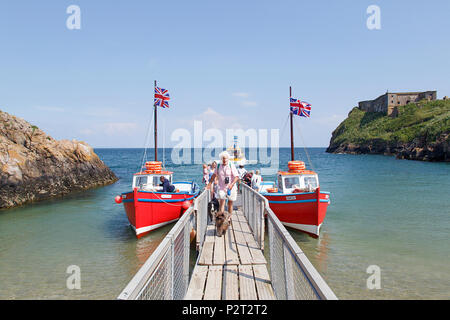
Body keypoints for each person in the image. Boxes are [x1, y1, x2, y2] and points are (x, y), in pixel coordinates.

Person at [207, 151, 239, 217]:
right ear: (221, 159)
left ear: (228, 158)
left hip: (231, 187)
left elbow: (236, 176)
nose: (224, 160)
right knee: (222, 202)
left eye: (225, 158)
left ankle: (229, 217)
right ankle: (221, 218)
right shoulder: (218, 165)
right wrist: (209, 184)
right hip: (222, 187)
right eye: (223, 158)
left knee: (230, 203)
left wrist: (232, 184)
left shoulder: (231, 165)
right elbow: (214, 175)